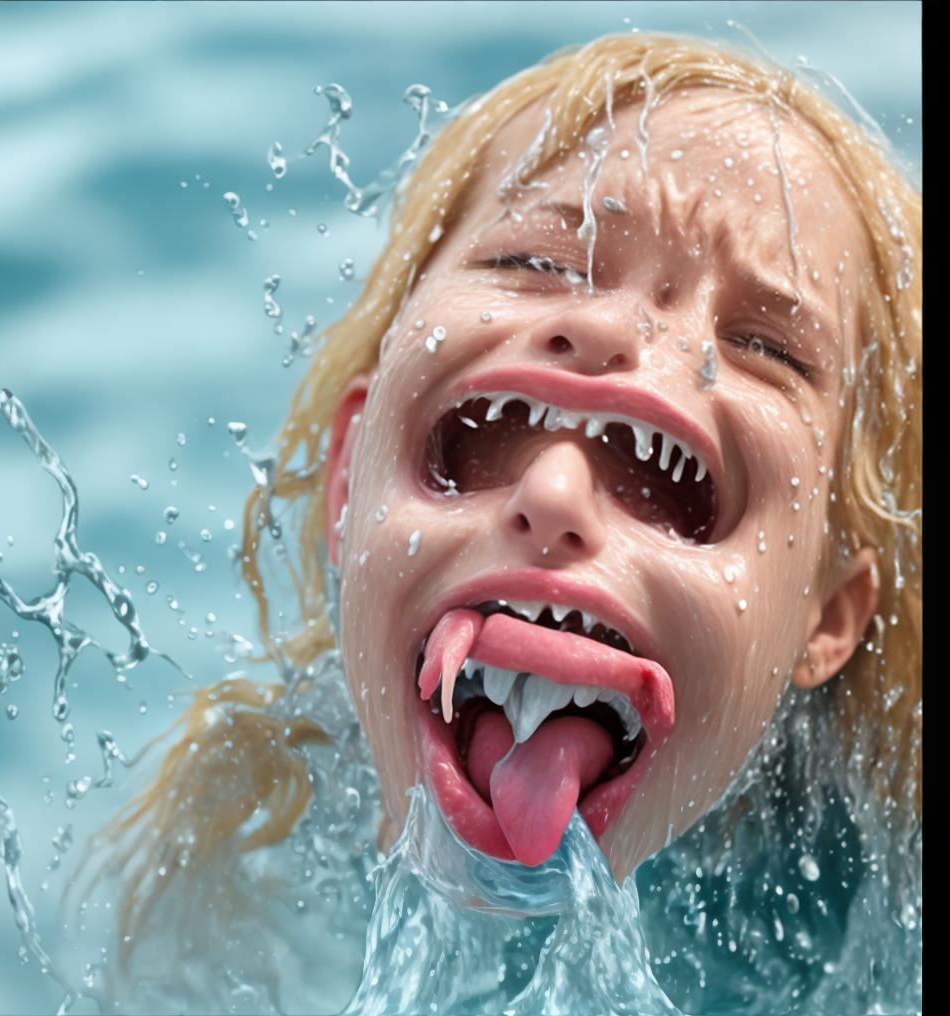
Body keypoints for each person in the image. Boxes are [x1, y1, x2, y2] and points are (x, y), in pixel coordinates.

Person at [85, 32, 921, 1013]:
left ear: (830, 616)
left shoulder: (871, 883)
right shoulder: (244, 812)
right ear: (350, 477)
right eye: (532, 259)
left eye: (762, 344)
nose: (625, 332)